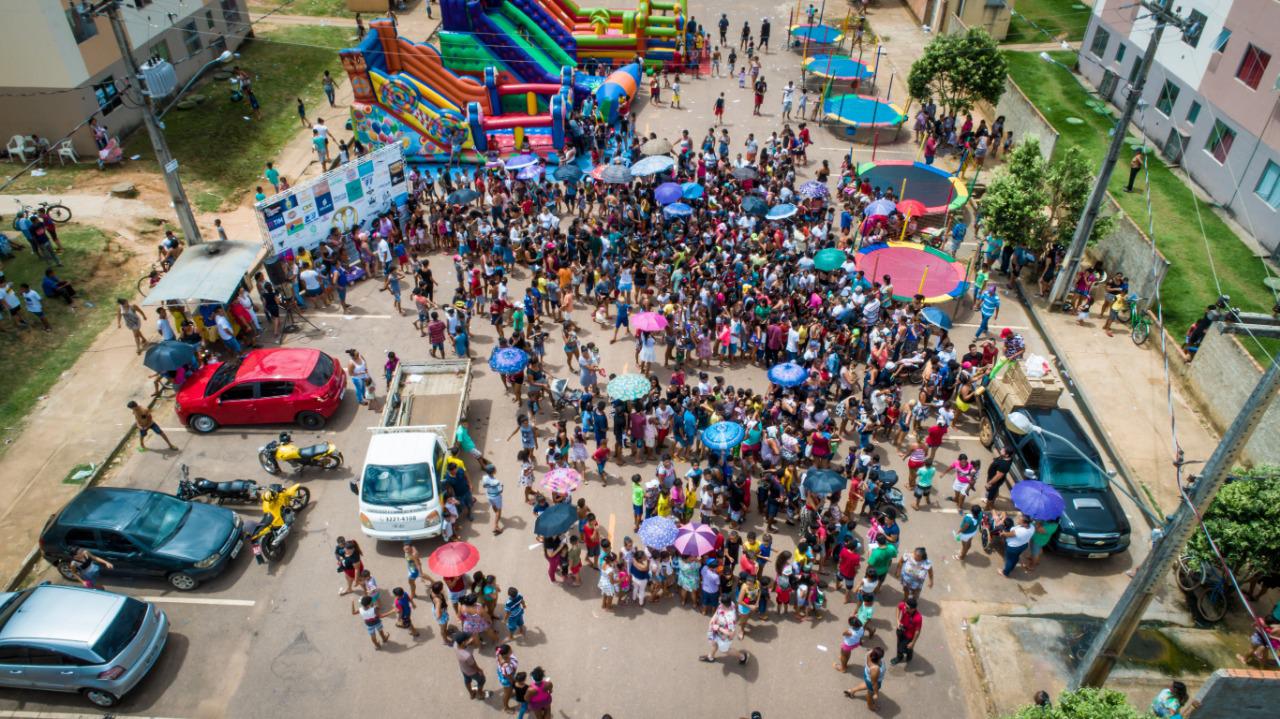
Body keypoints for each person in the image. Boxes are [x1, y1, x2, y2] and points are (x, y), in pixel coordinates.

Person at [700, 595, 748, 665]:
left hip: (724, 638)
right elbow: (718, 612)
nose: (718, 603)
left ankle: (742, 657)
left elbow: (731, 633)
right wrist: (712, 620)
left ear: (723, 604)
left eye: (720, 602)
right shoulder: (729, 603)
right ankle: (710, 657)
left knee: (725, 651)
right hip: (716, 632)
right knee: (714, 643)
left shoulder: (730, 618)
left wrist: (719, 628)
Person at [843, 645, 885, 711]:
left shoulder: (869, 653)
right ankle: (870, 706)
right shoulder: (875, 669)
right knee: (870, 694)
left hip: (868, 676)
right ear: (879, 658)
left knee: (866, 684)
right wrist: (876, 693)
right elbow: (874, 683)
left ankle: (851, 691)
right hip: (872, 681)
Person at [452, 632, 490, 700]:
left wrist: (470, 641)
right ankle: (480, 694)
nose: (469, 639)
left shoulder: (455, 644)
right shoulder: (467, 656)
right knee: (482, 680)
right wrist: (479, 670)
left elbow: (468, 643)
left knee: (467, 680)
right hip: (472, 672)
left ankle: (471, 694)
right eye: (468, 639)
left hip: (463, 669)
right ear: (463, 642)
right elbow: (473, 665)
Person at [998, 513, 1035, 578]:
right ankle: (1012, 567)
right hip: (1023, 545)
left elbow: (1008, 535)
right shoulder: (1032, 527)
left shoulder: (1020, 531)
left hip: (1013, 547)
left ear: (1025, 523)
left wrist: (1003, 533)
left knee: (1009, 560)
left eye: (1020, 520)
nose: (1018, 520)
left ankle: (1005, 573)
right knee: (1016, 557)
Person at [891, 596, 923, 665]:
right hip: (901, 630)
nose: (905, 608)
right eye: (905, 606)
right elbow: (898, 607)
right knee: (899, 644)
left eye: (907, 608)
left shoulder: (918, 618)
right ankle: (900, 657)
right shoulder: (904, 605)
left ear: (913, 609)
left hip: (909, 635)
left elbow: (917, 631)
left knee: (906, 647)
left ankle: (908, 655)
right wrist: (898, 620)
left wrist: (913, 642)